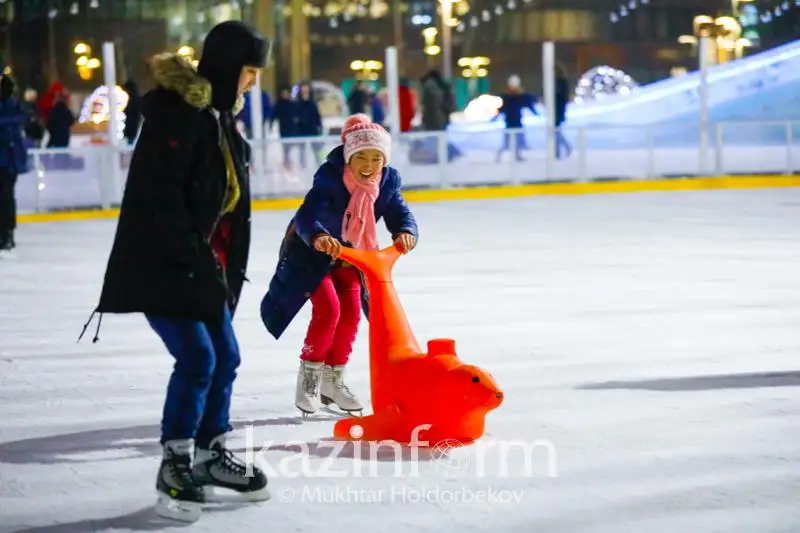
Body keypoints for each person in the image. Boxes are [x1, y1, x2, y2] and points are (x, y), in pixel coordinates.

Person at [79, 21, 270, 522]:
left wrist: (221, 268)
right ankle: (176, 462)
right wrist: (192, 258)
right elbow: (160, 200)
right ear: (231, 69)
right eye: (250, 72)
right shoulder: (177, 117)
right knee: (199, 359)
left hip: (206, 268)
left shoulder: (217, 118)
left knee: (225, 357)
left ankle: (210, 456)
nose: (253, 83)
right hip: (164, 265)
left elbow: (227, 206)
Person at [260, 113, 418, 417]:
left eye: (376, 158)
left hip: (352, 257)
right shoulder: (329, 181)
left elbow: (400, 213)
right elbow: (307, 216)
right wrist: (318, 236)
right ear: (349, 157)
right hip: (313, 256)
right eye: (361, 157)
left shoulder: (386, 183)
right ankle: (308, 383)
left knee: (350, 314)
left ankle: (333, 381)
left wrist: (406, 232)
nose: (369, 165)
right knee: (329, 310)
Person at [0, 74, 29, 251]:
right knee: (6, 198)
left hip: (8, 161)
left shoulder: (12, 107)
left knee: (6, 198)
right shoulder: (15, 109)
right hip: (10, 160)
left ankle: (7, 233)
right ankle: (6, 233)